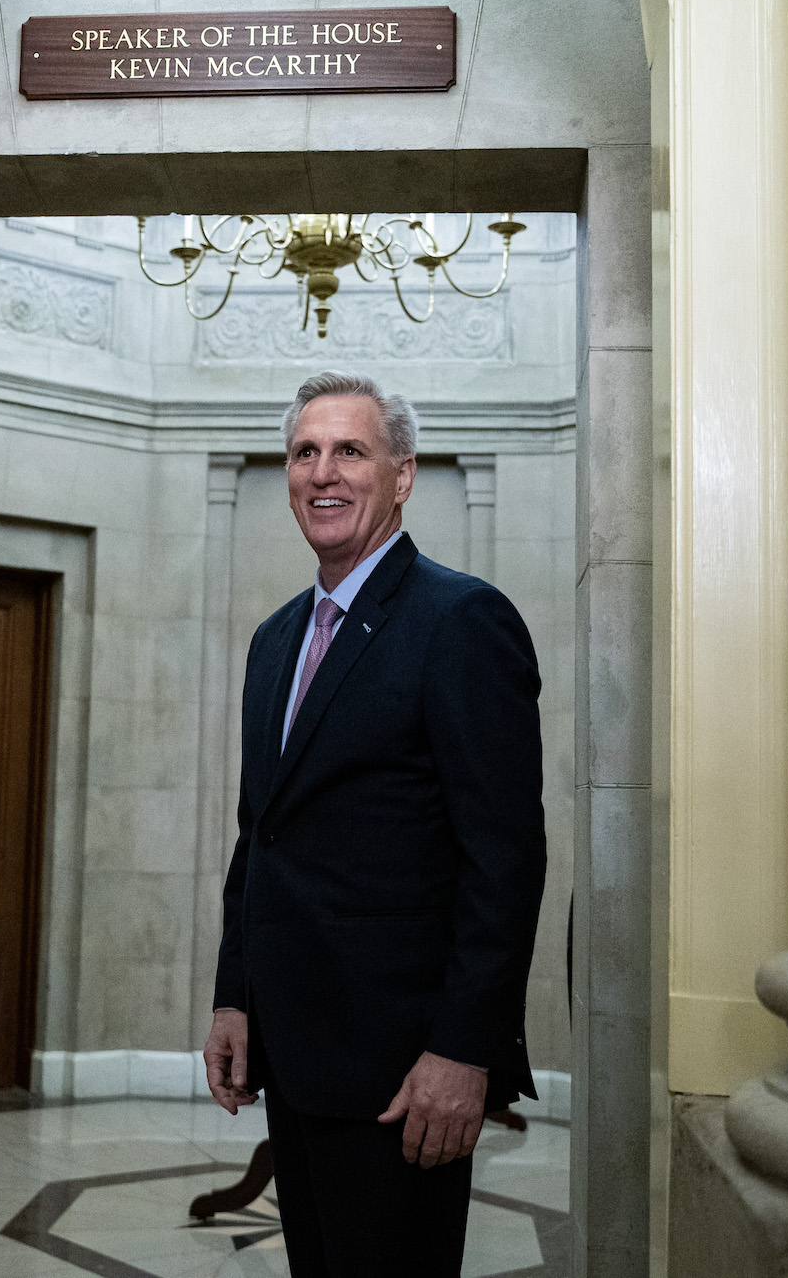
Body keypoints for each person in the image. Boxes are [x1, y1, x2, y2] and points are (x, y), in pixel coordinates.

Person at [204, 370, 546, 1277]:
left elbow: (503, 861)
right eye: (304, 451)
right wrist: (235, 994)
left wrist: (462, 1049)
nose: (323, 472)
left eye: (350, 450)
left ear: (401, 475)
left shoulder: (461, 620)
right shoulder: (275, 639)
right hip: (295, 1053)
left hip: (405, 1076)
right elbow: (260, 837)